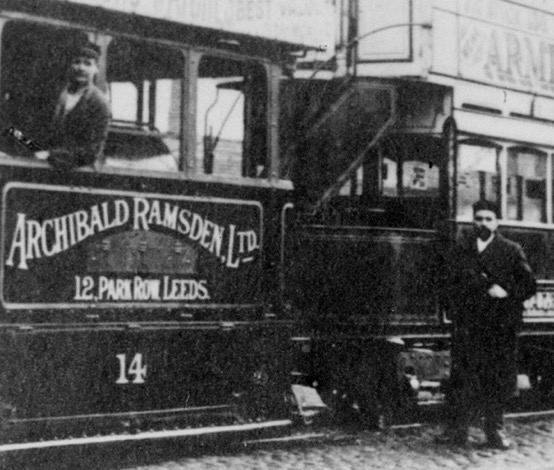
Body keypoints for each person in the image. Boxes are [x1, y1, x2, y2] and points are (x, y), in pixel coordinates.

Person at [437, 199, 536, 449]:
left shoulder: (511, 250)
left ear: (497, 222)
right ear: (473, 221)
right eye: (479, 218)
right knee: (463, 378)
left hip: (499, 326)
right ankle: (457, 431)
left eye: (488, 219)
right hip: (469, 324)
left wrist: (506, 291)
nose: (483, 223)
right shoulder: (462, 249)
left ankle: (495, 431)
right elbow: (449, 282)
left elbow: (528, 285)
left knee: (497, 379)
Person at [35, 40, 110, 170]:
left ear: (96, 69)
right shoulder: (57, 94)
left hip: (79, 169)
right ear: (70, 65)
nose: (81, 68)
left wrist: (51, 154)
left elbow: (92, 151)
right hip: (47, 163)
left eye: (87, 64)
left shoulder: (99, 103)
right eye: (77, 62)